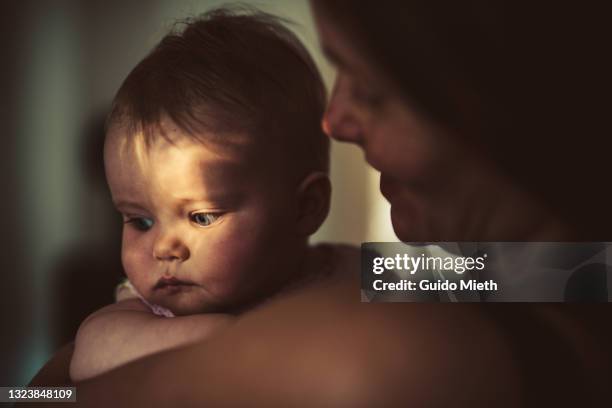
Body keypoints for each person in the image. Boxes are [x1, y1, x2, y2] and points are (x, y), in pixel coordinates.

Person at [30, 1, 610, 406]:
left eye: (369, 88)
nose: (335, 121)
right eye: (138, 219)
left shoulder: (390, 327)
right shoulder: (139, 320)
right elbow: (42, 388)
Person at [67, 8, 359, 382]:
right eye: (140, 221)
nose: (164, 249)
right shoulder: (151, 311)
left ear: (306, 207)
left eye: (202, 217)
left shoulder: (342, 269)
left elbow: (454, 276)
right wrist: (236, 337)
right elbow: (90, 353)